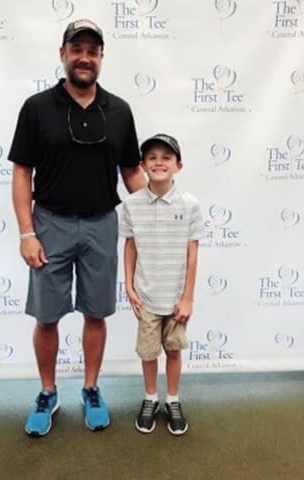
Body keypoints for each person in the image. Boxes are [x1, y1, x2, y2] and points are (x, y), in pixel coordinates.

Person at [8, 18, 146, 437]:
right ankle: (48, 393)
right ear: (63, 54)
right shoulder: (36, 108)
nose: (84, 57)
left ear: (101, 58)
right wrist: (26, 232)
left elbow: (133, 174)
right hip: (50, 224)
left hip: (103, 224)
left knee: (96, 313)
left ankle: (90, 389)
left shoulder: (120, 111)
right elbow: (21, 174)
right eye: (77, 49)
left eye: (92, 51)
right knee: (47, 317)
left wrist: (161, 213)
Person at [121, 133, 202, 436]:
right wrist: (129, 287)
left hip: (176, 298)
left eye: (166, 157)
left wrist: (188, 298)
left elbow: (192, 252)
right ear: (142, 165)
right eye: (152, 158)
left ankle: (173, 399)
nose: (159, 163)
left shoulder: (190, 204)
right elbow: (130, 246)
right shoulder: (131, 204)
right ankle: (150, 398)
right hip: (146, 296)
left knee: (174, 350)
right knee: (148, 352)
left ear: (178, 165)